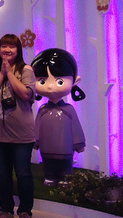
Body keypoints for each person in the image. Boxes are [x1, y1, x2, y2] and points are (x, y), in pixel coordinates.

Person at [0, 34, 36, 218]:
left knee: (23, 173)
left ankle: (25, 213)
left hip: (22, 133)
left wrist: (10, 73)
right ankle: (5, 211)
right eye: (4, 46)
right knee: (2, 174)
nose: (7, 49)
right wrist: (1, 74)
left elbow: (25, 94)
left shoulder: (26, 70)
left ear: (18, 50)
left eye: (12, 46)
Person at [31, 48, 86, 186]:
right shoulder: (42, 110)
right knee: (48, 163)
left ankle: (64, 177)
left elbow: (76, 128)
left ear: (75, 81)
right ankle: (49, 176)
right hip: (47, 147)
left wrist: (79, 144)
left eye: (59, 81)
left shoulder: (69, 110)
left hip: (65, 148)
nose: (50, 86)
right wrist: (35, 141)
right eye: (42, 81)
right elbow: (37, 127)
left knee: (65, 164)